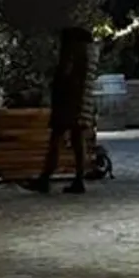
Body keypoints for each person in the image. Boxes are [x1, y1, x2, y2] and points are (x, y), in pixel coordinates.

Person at [32, 26, 95, 194]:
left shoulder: (73, 52)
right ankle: (79, 179)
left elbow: (65, 73)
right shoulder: (90, 53)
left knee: (56, 138)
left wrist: (56, 86)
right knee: (77, 139)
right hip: (83, 101)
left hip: (69, 100)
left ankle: (45, 178)